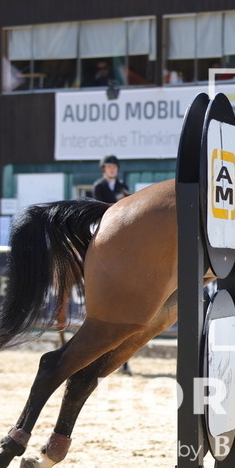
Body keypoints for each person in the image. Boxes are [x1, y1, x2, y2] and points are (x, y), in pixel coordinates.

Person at [92, 155, 132, 375]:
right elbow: (99, 207)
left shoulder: (122, 185)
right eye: (109, 167)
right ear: (104, 169)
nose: (112, 170)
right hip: (103, 222)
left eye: (114, 167)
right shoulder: (98, 186)